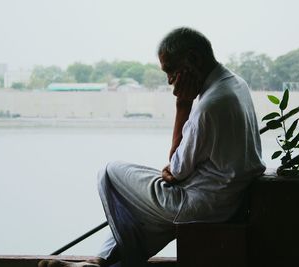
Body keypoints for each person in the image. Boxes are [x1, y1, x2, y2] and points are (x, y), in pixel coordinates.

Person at [38, 27, 266, 267]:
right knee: (143, 211)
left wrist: (183, 105)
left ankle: (105, 261)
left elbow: (176, 172)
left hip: (201, 206)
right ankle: (98, 262)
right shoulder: (236, 84)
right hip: (228, 201)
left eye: (171, 71)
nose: (169, 81)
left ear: (194, 59)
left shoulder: (209, 105)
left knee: (110, 172)